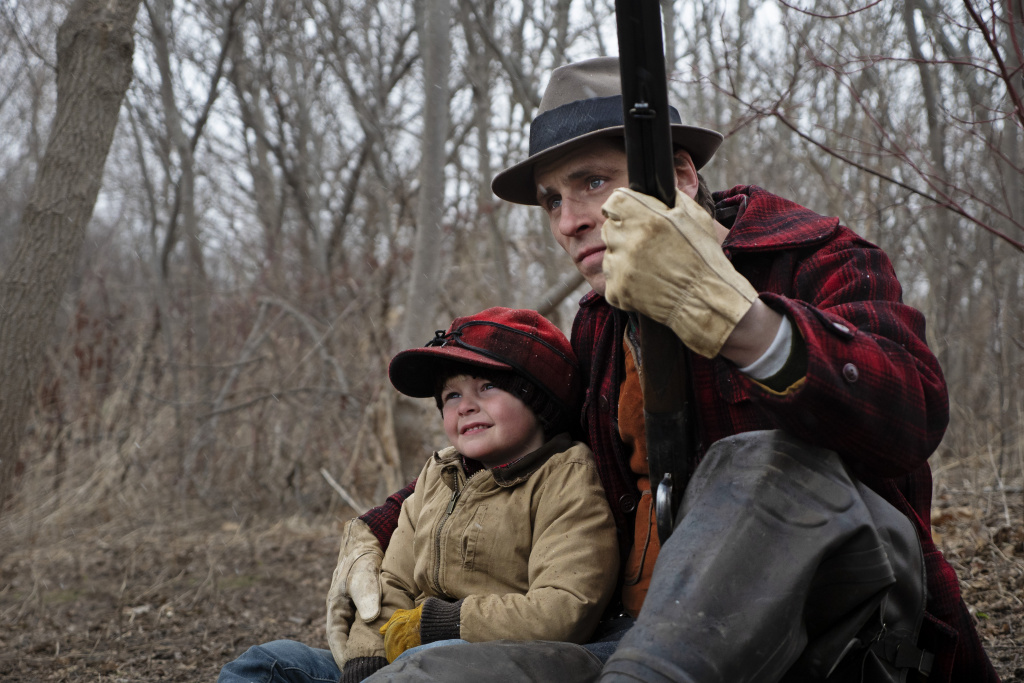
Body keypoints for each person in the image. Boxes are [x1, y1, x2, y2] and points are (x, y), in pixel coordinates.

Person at [328, 57, 1001, 682]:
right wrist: (375, 526)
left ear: (679, 176)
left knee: (760, 461)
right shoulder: (597, 324)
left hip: (832, 630)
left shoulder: (817, 255)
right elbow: (521, 437)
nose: (567, 220)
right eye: (552, 200)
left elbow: (911, 414)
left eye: (593, 182)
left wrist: (743, 324)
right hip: (637, 638)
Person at [218, 307, 619, 683]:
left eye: (489, 386)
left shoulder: (565, 475)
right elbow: (394, 579)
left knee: (429, 663)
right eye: (452, 396)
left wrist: (439, 623)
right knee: (266, 663)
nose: (466, 407)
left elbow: (565, 607)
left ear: (539, 399)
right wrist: (368, 654)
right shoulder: (439, 473)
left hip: (495, 662)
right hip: (407, 658)